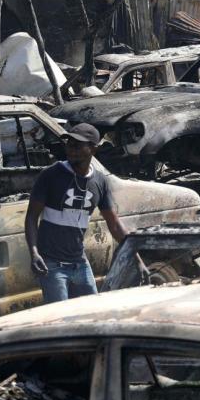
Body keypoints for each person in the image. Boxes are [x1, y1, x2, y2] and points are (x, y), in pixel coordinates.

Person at [25, 124, 128, 303]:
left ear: (93, 148)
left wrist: (137, 257)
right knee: (59, 319)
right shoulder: (51, 175)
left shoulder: (100, 182)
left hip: (79, 263)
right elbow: (32, 217)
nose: (71, 149)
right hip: (52, 265)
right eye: (69, 143)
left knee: (91, 314)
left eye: (78, 145)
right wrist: (34, 253)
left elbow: (115, 225)